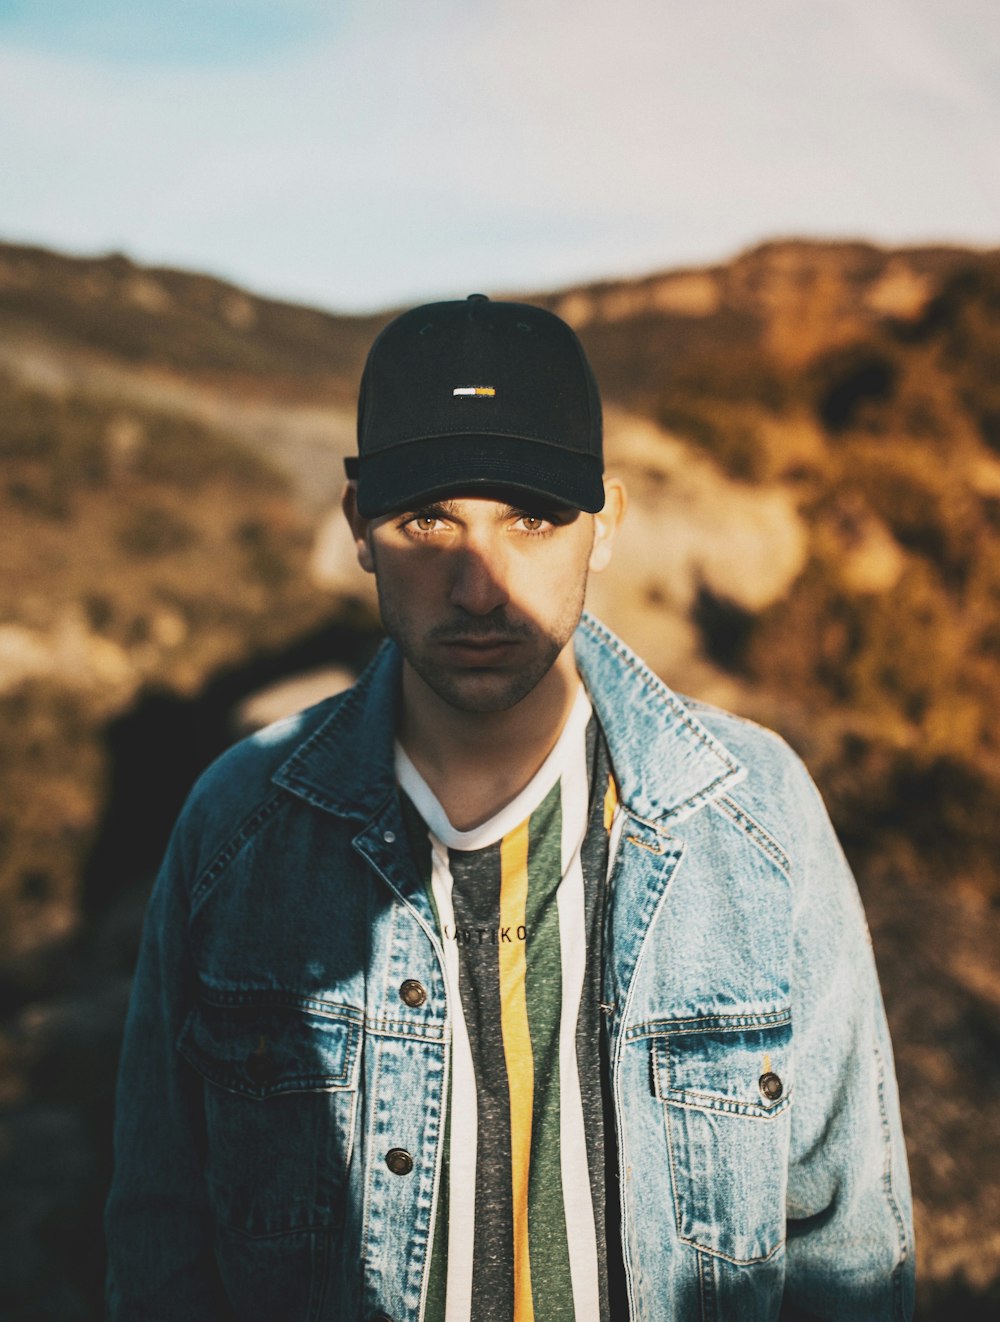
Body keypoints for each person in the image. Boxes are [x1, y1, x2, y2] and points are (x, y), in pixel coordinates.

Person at [105, 294, 915, 1321]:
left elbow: (849, 1257)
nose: (479, 586)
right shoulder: (235, 830)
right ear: (358, 523)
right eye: (429, 518)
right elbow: (160, 1244)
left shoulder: (753, 820)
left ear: (606, 523)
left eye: (531, 518)